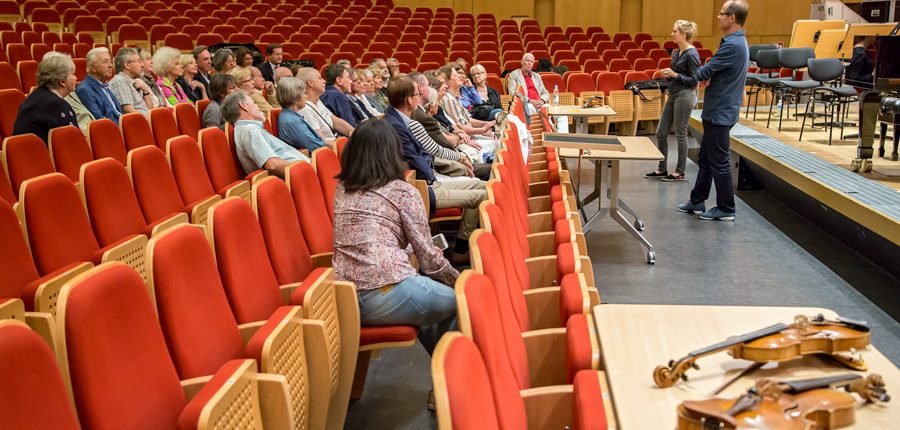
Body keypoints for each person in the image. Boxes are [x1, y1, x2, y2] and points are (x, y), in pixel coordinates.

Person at [332, 119, 457, 357]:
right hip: (384, 290)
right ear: (391, 151)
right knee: (463, 302)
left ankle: (443, 380)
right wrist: (458, 280)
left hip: (343, 295)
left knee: (430, 308)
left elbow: (375, 236)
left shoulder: (343, 188)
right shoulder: (402, 191)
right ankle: (448, 384)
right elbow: (428, 258)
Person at [383, 77, 486, 262]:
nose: (420, 97)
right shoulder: (397, 125)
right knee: (483, 195)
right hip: (421, 188)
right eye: (416, 94)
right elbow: (419, 162)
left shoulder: (401, 120)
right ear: (409, 100)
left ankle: (462, 246)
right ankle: (462, 250)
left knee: (484, 187)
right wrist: (433, 169)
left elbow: (425, 154)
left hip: (425, 181)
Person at [675, 0, 749, 221]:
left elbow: (703, 72)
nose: (718, 16)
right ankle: (697, 200)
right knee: (706, 158)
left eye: (721, 13)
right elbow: (714, 70)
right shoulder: (733, 42)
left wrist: (682, 69)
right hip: (718, 108)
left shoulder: (733, 45)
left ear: (732, 18)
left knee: (719, 161)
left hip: (721, 111)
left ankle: (726, 208)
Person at [645, 20, 700, 182]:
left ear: (683, 34)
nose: (672, 34)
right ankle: (662, 169)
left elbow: (694, 80)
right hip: (673, 93)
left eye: (675, 31)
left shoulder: (692, 54)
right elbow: (676, 74)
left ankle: (679, 171)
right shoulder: (676, 53)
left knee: (680, 134)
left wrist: (675, 75)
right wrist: (668, 74)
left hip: (685, 95)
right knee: (661, 132)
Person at [221, 91, 310, 177]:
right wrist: (307, 171)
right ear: (244, 106)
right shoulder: (250, 130)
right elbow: (272, 165)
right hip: (299, 176)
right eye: (254, 103)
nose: (258, 106)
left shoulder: (248, 129)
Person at [13, 52, 79, 143]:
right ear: (62, 81)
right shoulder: (57, 105)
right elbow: (73, 142)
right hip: (42, 155)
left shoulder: (37, 95)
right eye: (73, 74)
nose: (76, 78)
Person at [295, 66, 354, 143]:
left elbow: (336, 121)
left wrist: (356, 134)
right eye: (319, 78)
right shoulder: (305, 109)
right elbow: (321, 142)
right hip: (331, 148)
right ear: (310, 83)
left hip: (336, 142)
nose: (324, 81)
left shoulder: (318, 101)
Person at [275, 77, 327, 152]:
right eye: (304, 93)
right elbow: (316, 146)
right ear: (295, 97)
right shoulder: (291, 121)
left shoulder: (291, 116)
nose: (306, 96)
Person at [75, 47, 122, 124]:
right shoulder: (85, 90)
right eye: (105, 62)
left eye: (110, 62)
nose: (110, 66)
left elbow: (118, 113)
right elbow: (98, 120)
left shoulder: (104, 85)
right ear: (93, 67)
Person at [108, 47, 156, 115]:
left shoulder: (135, 82)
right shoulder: (120, 81)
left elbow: (151, 111)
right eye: (139, 61)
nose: (142, 65)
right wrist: (147, 123)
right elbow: (129, 112)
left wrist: (146, 91)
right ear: (127, 65)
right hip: (140, 124)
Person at [320, 63, 363, 127]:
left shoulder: (323, 93)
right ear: (339, 80)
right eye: (348, 78)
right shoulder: (338, 96)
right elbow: (350, 125)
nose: (351, 81)